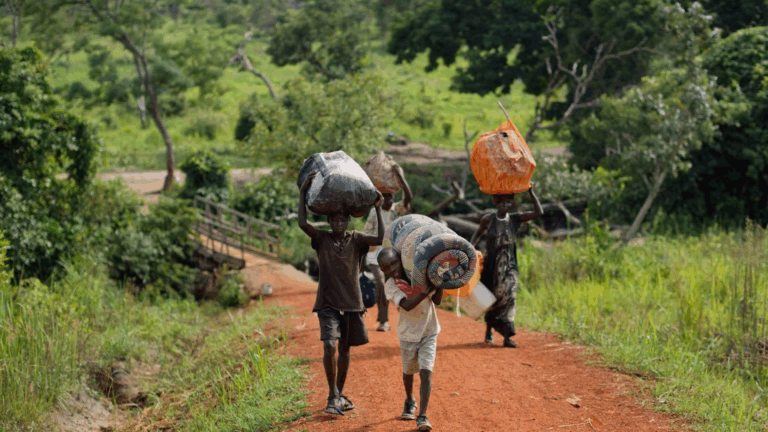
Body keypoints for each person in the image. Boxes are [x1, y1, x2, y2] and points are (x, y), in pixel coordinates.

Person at [298, 172, 385, 416]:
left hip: (352, 304)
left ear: (348, 221)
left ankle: (339, 392)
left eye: (342, 220)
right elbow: (303, 224)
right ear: (328, 221)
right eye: (334, 220)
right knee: (328, 345)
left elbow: (379, 237)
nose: (338, 224)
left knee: (345, 350)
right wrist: (302, 193)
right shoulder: (321, 238)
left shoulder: (357, 239)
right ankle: (332, 394)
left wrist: (377, 208)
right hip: (326, 303)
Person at [470, 184, 543, 348]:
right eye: (501, 202)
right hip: (491, 266)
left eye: (508, 202)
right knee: (492, 298)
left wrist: (531, 193)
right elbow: (477, 234)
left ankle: (507, 337)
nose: (505, 205)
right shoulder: (488, 219)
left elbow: (539, 213)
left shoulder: (515, 219)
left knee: (510, 298)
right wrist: (469, 250)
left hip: (509, 266)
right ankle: (489, 330)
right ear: (496, 202)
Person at [378, 247, 442, 431]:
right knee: (408, 372)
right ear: (382, 271)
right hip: (407, 334)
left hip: (429, 331)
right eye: (385, 268)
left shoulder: (420, 275)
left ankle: (422, 416)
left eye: (394, 263)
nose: (391, 269)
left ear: (402, 259)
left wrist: (439, 283)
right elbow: (406, 305)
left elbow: (437, 301)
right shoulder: (391, 285)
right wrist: (425, 290)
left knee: (426, 372)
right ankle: (409, 398)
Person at [363, 163, 413, 332]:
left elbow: (408, 197)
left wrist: (400, 176)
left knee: (395, 286)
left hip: (393, 256)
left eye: (391, 197)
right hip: (374, 255)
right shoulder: (373, 213)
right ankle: (383, 320)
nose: (388, 200)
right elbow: (366, 234)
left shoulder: (396, 210)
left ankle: (400, 320)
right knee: (380, 284)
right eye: (384, 197)